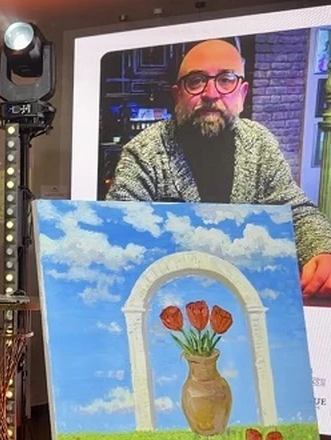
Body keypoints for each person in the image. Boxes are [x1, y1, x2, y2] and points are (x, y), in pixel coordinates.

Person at [107, 38, 331, 298]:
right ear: (177, 95)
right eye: (196, 81)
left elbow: (296, 211)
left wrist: (322, 250)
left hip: (245, 294)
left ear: (242, 94)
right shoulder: (143, 151)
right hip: (169, 296)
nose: (211, 94)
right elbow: (117, 229)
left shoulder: (260, 143)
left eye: (226, 80)